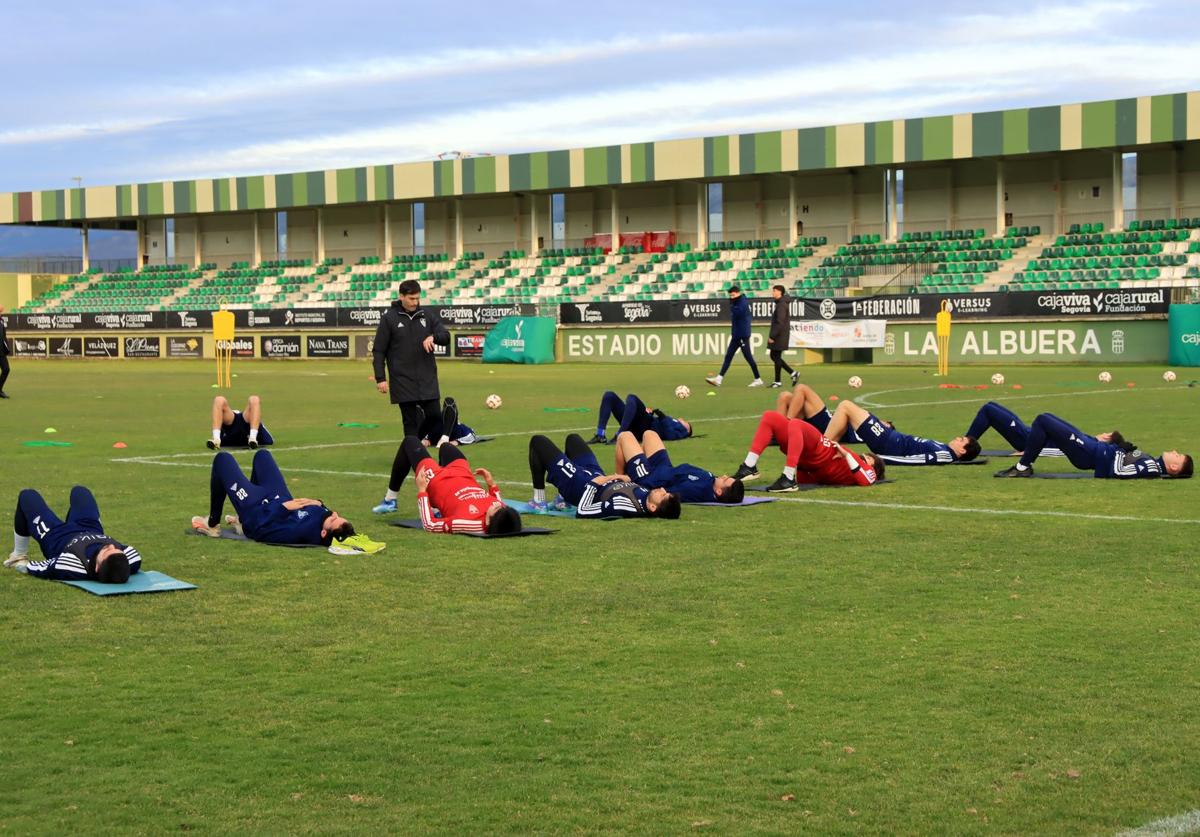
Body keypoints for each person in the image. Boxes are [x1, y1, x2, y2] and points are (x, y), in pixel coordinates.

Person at [193, 450, 380, 553]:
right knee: (262, 455)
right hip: (276, 496)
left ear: (324, 532)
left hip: (256, 511)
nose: (333, 514)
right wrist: (317, 502)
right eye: (337, 515)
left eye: (333, 520)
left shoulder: (296, 532)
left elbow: (261, 532)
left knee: (222, 459)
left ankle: (212, 524)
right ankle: (240, 520)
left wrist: (283, 508)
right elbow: (323, 512)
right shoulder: (326, 518)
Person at [373, 437, 521, 534]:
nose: (499, 505)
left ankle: (390, 500)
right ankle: (438, 508)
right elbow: (499, 502)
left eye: (497, 508)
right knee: (446, 447)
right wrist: (492, 485)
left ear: (488, 520)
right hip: (464, 475)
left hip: (437, 481)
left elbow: (430, 525)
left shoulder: (466, 523)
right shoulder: (501, 513)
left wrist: (423, 491)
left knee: (410, 442)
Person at [4, 486, 140, 583]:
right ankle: (74, 518)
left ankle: (18, 554)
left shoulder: (74, 565)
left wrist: (22, 565)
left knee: (28, 495)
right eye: (116, 549)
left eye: (106, 551)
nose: (111, 546)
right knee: (80, 491)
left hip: (56, 536)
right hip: (90, 527)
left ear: (97, 567)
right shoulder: (130, 559)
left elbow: (42, 567)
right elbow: (133, 556)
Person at [527, 434, 681, 519]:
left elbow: (584, 510)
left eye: (663, 495)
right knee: (573, 439)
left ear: (653, 507)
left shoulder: (624, 505)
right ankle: (562, 501)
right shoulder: (647, 495)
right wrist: (627, 478)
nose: (661, 489)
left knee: (538, 442)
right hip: (595, 473)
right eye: (665, 491)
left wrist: (602, 481)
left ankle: (539, 502)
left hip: (579, 485)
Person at [994, 413, 1193, 479]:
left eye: (1178, 455)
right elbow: (1126, 458)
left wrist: (1116, 450)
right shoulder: (1151, 460)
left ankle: (1023, 467)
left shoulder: (1151, 467)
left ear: (1174, 468)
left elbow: (1118, 472)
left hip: (1089, 454)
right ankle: (1024, 464)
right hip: (1092, 447)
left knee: (1043, 420)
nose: (1175, 451)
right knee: (1045, 419)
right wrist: (1119, 444)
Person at [373, 279, 451, 439]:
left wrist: (433, 337)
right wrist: (380, 378)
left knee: (435, 416)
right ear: (401, 296)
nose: (415, 302)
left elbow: (446, 336)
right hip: (402, 379)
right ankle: (413, 453)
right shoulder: (389, 319)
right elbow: (379, 351)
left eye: (417, 298)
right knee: (410, 423)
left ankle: (412, 445)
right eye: (411, 299)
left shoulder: (426, 315)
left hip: (427, 377)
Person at [732, 411, 884, 491]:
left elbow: (867, 481)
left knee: (796, 424)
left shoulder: (865, 467)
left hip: (821, 452)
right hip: (815, 454)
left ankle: (788, 479)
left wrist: (846, 454)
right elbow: (808, 481)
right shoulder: (854, 463)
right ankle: (749, 466)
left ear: (872, 464)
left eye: (870, 457)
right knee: (770, 417)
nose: (866, 455)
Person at [822, 399, 981, 465]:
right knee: (850, 411)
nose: (957, 438)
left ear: (962, 450)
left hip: (886, 442)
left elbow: (913, 460)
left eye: (961, 440)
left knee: (845, 406)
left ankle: (820, 451)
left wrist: (877, 459)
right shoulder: (944, 448)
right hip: (887, 436)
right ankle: (824, 451)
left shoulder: (945, 455)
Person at [613, 430, 743, 503]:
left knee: (625, 436)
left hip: (649, 478)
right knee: (649, 434)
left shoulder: (698, 490)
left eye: (725, 480)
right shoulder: (712, 481)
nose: (724, 476)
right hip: (664, 467)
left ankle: (619, 483)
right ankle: (632, 467)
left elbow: (668, 491)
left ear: (719, 491)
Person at [705, 285, 764, 388]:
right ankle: (719, 379)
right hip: (736, 335)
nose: (731, 297)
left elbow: (738, 313)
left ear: (738, 293)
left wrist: (733, 305)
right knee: (728, 356)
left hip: (742, 335)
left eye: (733, 295)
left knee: (748, 357)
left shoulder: (742, 302)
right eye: (730, 296)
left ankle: (758, 379)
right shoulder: (737, 302)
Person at [963, 401, 1063, 457]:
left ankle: (965, 446)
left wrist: (1029, 451)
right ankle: (965, 443)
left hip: (1027, 441)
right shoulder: (1073, 436)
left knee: (988, 410)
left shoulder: (1071, 444)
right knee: (990, 405)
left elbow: (1059, 451)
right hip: (1029, 432)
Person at [588, 391, 692, 445]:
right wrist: (651, 413)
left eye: (686, 422)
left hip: (646, 428)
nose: (683, 419)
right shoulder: (675, 423)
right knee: (609, 395)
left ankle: (620, 434)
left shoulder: (683, 431)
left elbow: (670, 435)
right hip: (639, 423)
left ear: (688, 429)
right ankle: (600, 434)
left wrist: (662, 417)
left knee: (632, 397)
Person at [776, 382, 862, 443]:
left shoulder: (865, 428)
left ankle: (786, 426)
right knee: (784, 396)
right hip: (827, 424)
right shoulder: (864, 420)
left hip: (830, 429)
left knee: (801, 388)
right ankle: (779, 434)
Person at [207, 394, 273, 450]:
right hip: (231, 428)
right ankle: (216, 440)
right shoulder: (227, 423)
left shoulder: (264, 439)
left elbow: (269, 441)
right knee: (218, 399)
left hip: (249, 428)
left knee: (254, 399)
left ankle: (253, 438)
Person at [767, 285, 798, 389]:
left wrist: (773, 336)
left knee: (774, 356)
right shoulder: (781, 303)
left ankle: (782, 379)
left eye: (774, 291)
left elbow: (780, 322)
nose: (773, 293)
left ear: (779, 292)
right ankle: (789, 375)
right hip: (780, 335)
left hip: (779, 336)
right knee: (775, 357)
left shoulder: (781, 305)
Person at [0, 306, 10, 398]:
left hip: (1, 352)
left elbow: (4, 336)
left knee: (6, 369)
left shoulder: (2, 321)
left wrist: (6, 348)